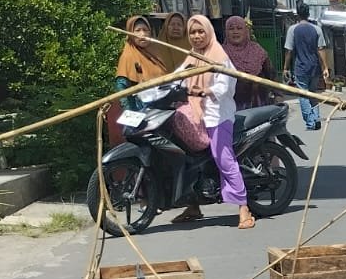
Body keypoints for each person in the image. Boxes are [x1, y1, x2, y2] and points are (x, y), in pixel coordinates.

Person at [171, 14, 253, 229]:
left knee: (223, 158)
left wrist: (205, 91)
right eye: (193, 32)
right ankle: (194, 205)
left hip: (217, 115)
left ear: (208, 32)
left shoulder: (218, 55)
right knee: (189, 158)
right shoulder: (193, 56)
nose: (197, 36)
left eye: (200, 32)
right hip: (195, 113)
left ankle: (243, 208)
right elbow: (178, 75)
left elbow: (224, 87)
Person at [106, 15, 166, 148]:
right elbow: (121, 87)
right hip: (140, 113)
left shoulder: (155, 53)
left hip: (161, 110)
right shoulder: (128, 56)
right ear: (130, 33)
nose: (142, 34)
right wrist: (131, 114)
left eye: (146, 30)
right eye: (137, 30)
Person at [284, 3, 330, 130]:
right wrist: (325, 67)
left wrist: (285, 68)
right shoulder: (317, 29)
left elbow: (289, 51)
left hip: (300, 68)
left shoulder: (293, 29)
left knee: (303, 95)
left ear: (297, 14)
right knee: (313, 93)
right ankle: (315, 118)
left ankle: (310, 122)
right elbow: (321, 49)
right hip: (315, 68)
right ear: (308, 14)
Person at [222, 15, 274, 110]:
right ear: (226, 32)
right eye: (231, 28)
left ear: (246, 31)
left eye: (239, 28)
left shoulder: (257, 51)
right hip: (230, 108)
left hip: (258, 105)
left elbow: (270, 74)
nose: (235, 32)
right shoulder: (220, 53)